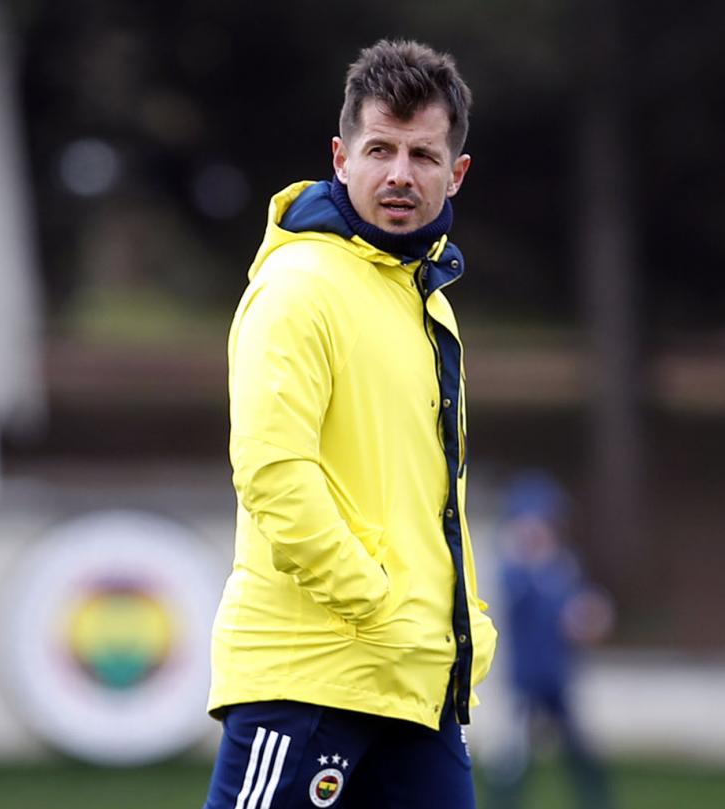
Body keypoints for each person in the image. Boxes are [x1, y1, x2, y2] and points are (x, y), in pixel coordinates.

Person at [201, 39, 497, 809]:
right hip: (309, 675)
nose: (400, 174)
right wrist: (376, 602)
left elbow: (430, 496)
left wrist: (463, 618)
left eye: (423, 155)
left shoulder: (429, 303)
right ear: (340, 157)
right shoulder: (299, 287)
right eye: (380, 150)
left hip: (415, 679)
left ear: (456, 172)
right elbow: (273, 473)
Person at [486, 470, 615, 809]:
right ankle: (501, 802)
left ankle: (597, 800)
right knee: (516, 755)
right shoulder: (514, 570)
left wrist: (588, 617)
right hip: (527, 678)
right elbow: (523, 604)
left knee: (577, 749)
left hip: (556, 675)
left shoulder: (564, 565)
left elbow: (577, 610)